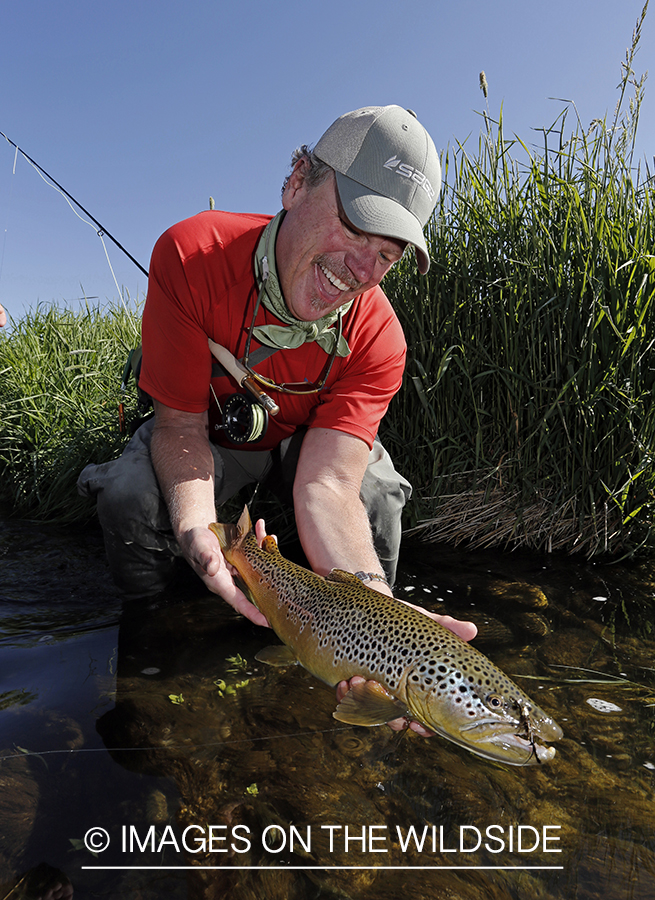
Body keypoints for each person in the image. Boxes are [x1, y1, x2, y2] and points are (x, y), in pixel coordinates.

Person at [78, 107, 477, 720]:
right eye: (356, 228)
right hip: (208, 434)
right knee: (132, 496)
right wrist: (196, 532)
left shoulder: (380, 337)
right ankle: (151, 638)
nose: (364, 272)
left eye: (389, 255)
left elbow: (329, 482)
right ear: (296, 184)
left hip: (308, 447)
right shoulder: (192, 256)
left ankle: (353, 669)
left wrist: (384, 620)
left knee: (379, 497)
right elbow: (180, 426)